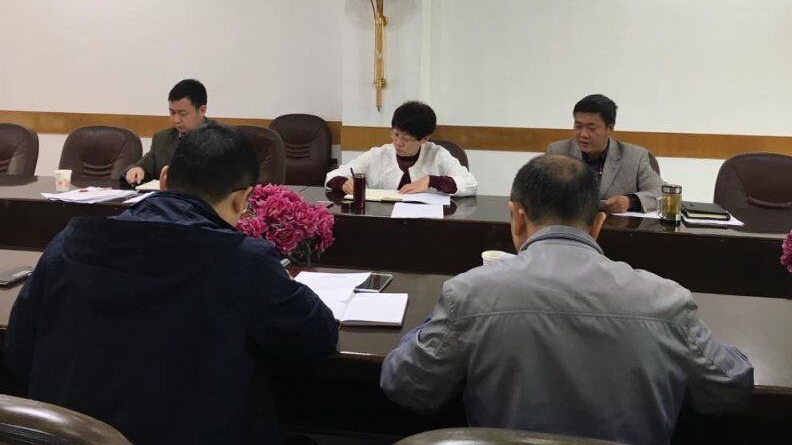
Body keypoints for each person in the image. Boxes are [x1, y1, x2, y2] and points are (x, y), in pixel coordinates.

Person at [380, 155, 753, 445]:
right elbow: (730, 387)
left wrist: (435, 320)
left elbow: (406, 384)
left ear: (516, 217)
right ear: (598, 224)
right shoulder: (667, 300)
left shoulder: (469, 293)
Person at [5, 123, 338, 445]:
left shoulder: (68, 243)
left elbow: (20, 351)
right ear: (242, 200)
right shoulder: (242, 261)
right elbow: (316, 335)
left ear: (163, 179)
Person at [325, 101, 477, 197]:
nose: (398, 143)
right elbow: (333, 175)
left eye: (406, 139)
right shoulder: (378, 155)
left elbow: (470, 183)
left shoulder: (438, 155)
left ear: (424, 139)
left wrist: (432, 181)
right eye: (395, 134)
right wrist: (343, 183)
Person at [547, 93, 663, 212]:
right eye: (578, 126)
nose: (583, 134)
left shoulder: (635, 157)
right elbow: (539, 192)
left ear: (610, 128)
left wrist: (630, 201)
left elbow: (661, 192)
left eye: (591, 128)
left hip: (615, 223)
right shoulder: (557, 152)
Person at [124, 78, 209, 185]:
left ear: (202, 110)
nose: (176, 120)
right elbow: (143, 167)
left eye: (182, 114)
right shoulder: (162, 138)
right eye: (172, 113)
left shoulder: (222, 139)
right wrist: (135, 170)